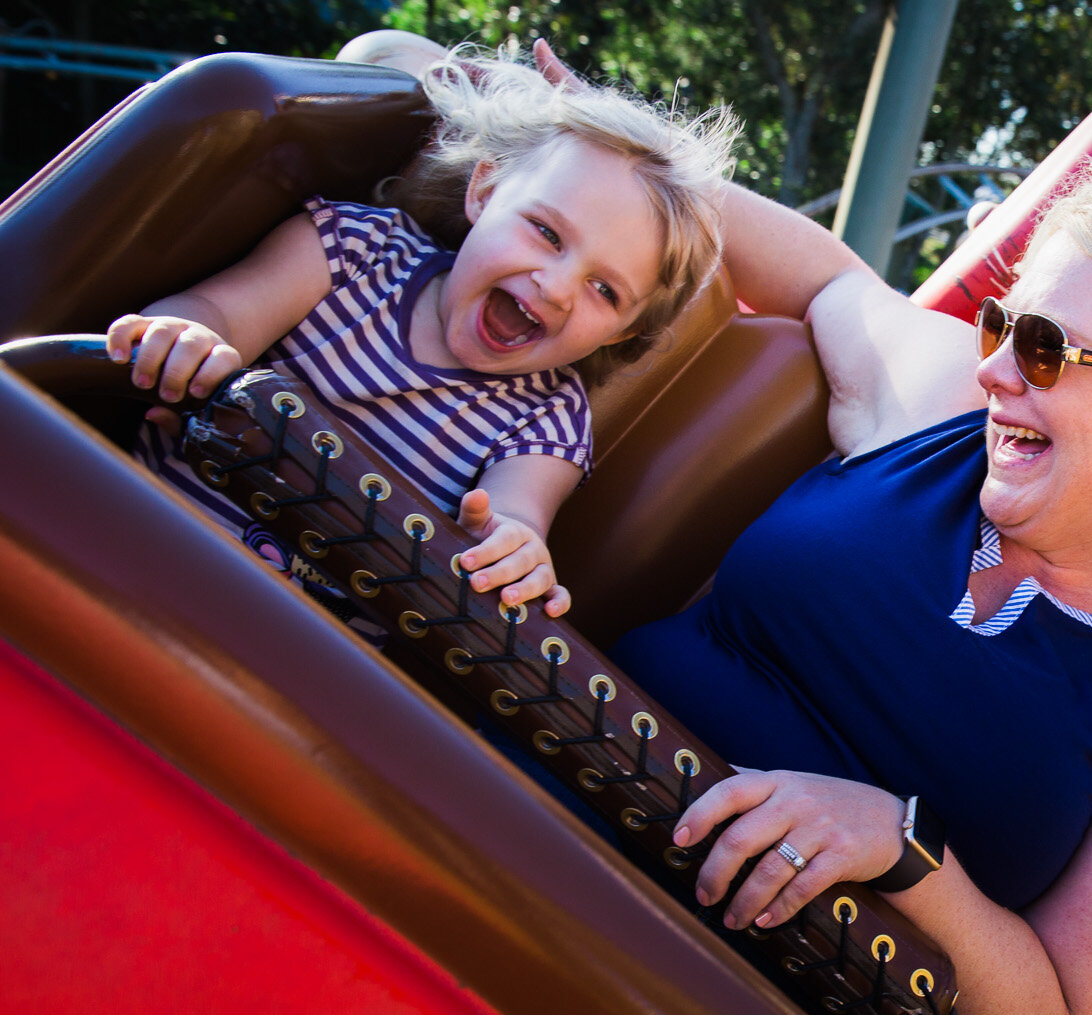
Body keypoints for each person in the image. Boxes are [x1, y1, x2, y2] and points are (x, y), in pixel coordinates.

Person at [615, 150, 1092, 1015]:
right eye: (1002, 323)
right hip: (571, 782)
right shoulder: (943, 401)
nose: (995, 368)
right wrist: (603, 146)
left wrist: (899, 843)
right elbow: (827, 274)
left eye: (1045, 348)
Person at [109, 49, 733, 621]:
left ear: (622, 333)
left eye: (605, 291)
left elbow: (516, 512)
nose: (558, 286)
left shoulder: (549, 416)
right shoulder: (352, 251)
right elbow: (216, 312)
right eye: (546, 233)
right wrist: (189, 335)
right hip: (145, 546)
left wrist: (514, 548)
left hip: (297, 655)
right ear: (485, 192)